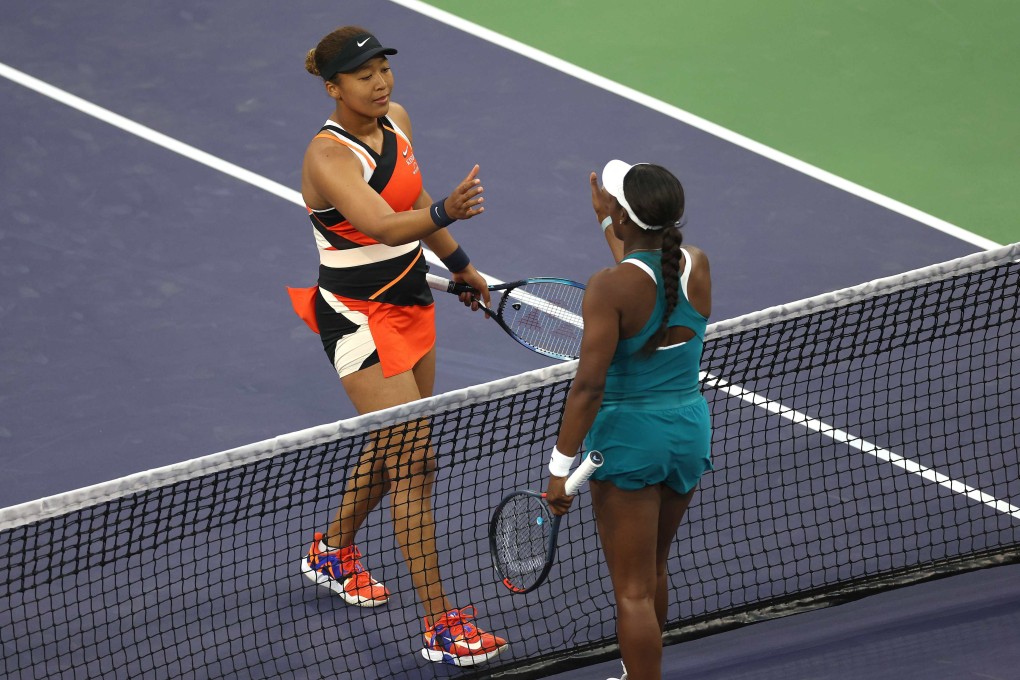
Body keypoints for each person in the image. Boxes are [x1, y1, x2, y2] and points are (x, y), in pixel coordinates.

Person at [287, 25, 507, 667]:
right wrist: (447, 213)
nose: (380, 82)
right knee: (416, 465)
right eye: (363, 75)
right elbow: (381, 223)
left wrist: (461, 263)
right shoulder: (327, 157)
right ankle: (440, 624)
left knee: (397, 452)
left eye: (383, 68)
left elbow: (407, 203)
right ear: (333, 88)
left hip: (411, 304)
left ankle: (331, 548)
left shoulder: (399, 122)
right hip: (357, 320)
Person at [545, 161, 713, 680]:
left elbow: (588, 387)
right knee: (653, 571)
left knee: (631, 591)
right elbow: (647, 279)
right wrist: (608, 222)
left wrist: (559, 467)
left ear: (623, 216)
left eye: (612, 207)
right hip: (687, 432)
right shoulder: (697, 264)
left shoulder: (609, 287)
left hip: (629, 443)